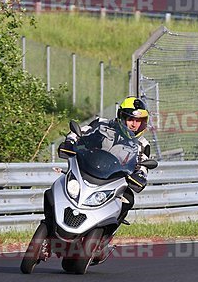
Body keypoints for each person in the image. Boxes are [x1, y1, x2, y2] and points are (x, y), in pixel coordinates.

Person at [57, 96, 153, 261]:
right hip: (88, 169)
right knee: (62, 184)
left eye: (139, 121)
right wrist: (70, 142)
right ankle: (52, 220)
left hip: (115, 181)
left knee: (128, 200)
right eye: (131, 119)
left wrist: (140, 176)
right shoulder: (101, 124)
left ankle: (103, 240)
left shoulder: (142, 145)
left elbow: (143, 165)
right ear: (121, 116)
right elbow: (78, 133)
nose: (134, 124)